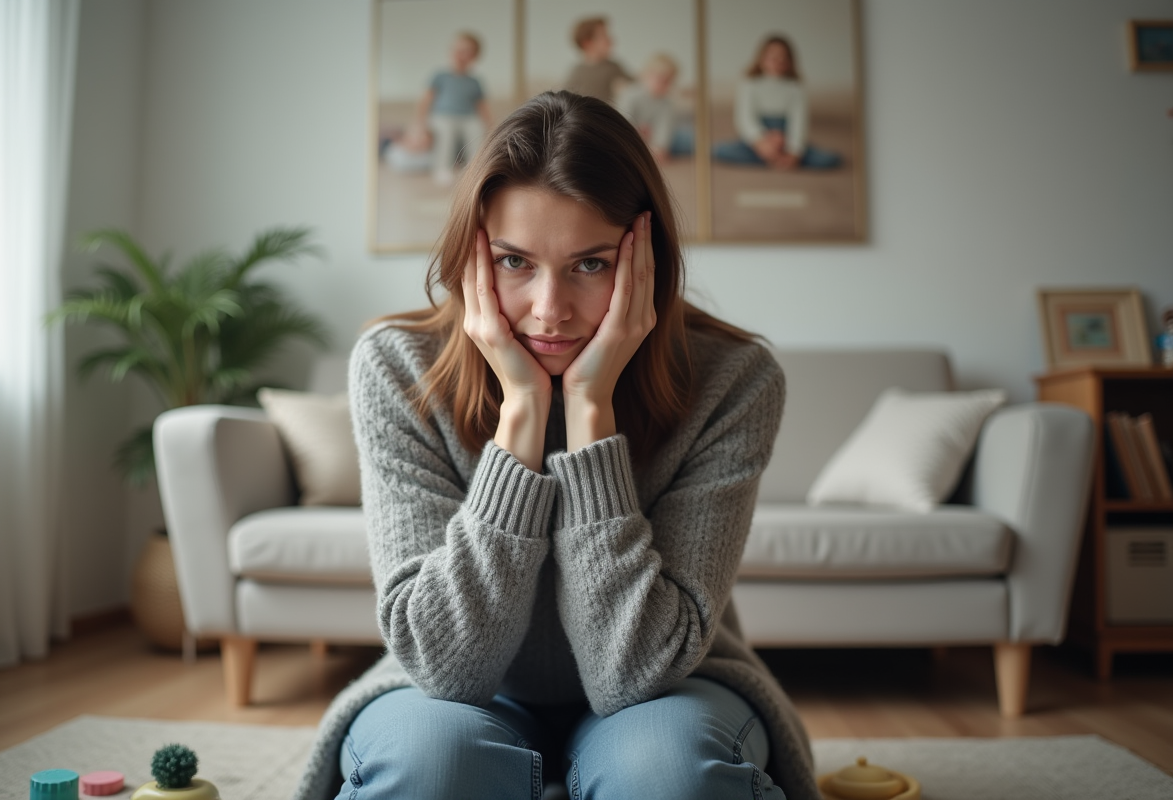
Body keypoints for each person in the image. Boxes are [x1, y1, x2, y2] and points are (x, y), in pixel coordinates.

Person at [291, 91, 820, 800]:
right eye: (514, 261)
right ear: (472, 256)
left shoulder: (734, 380)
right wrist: (523, 415)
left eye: (590, 265)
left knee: (668, 776)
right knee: (432, 767)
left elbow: (634, 673)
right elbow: (447, 670)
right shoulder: (396, 366)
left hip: (669, 688)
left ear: (646, 260)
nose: (550, 310)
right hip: (456, 696)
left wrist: (591, 410)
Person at [712, 35, 841, 170]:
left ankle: (780, 160)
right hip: (757, 140)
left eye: (783, 57)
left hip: (786, 138)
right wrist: (761, 142)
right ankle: (775, 159)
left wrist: (794, 151)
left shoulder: (795, 88)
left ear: (790, 61)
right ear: (761, 58)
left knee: (827, 159)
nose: (778, 61)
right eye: (772, 56)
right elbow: (745, 119)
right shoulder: (750, 84)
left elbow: (799, 122)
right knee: (721, 151)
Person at [414, 31, 494, 185]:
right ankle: (442, 168)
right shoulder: (440, 76)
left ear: (474, 56)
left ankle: (474, 170)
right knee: (445, 130)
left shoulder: (475, 82)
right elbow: (425, 101)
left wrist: (491, 127)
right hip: (442, 116)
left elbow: (482, 107)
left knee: (476, 129)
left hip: (468, 117)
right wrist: (420, 124)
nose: (461, 54)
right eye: (458, 49)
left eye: (467, 51)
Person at [616, 52, 694, 163]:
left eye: (668, 81)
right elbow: (622, 120)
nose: (664, 84)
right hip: (631, 137)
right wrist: (637, 130)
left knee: (689, 138)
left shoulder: (666, 103)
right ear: (646, 75)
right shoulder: (630, 94)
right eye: (660, 79)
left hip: (657, 139)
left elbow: (664, 128)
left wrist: (659, 148)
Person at [564, 17, 632, 104]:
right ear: (587, 43)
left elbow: (635, 86)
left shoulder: (613, 67)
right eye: (604, 36)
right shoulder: (577, 72)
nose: (610, 40)